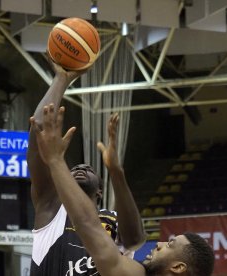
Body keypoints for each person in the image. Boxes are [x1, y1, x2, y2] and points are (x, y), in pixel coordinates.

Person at [30, 105, 215, 276]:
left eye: (169, 244)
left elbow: (89, 226)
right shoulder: (137, 271)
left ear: (177, 267)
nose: (159, 243)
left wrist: (55, 160)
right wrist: (116, 173)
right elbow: (111, 248)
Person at [27, 60, 145, 275]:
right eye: (73, 169)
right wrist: (61, 79)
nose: (80, 168)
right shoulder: (51, 208)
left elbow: (135, 240)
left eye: (89, 170)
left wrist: (118, 173)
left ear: (99, 191)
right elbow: (39, 131)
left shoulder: (112, 219)